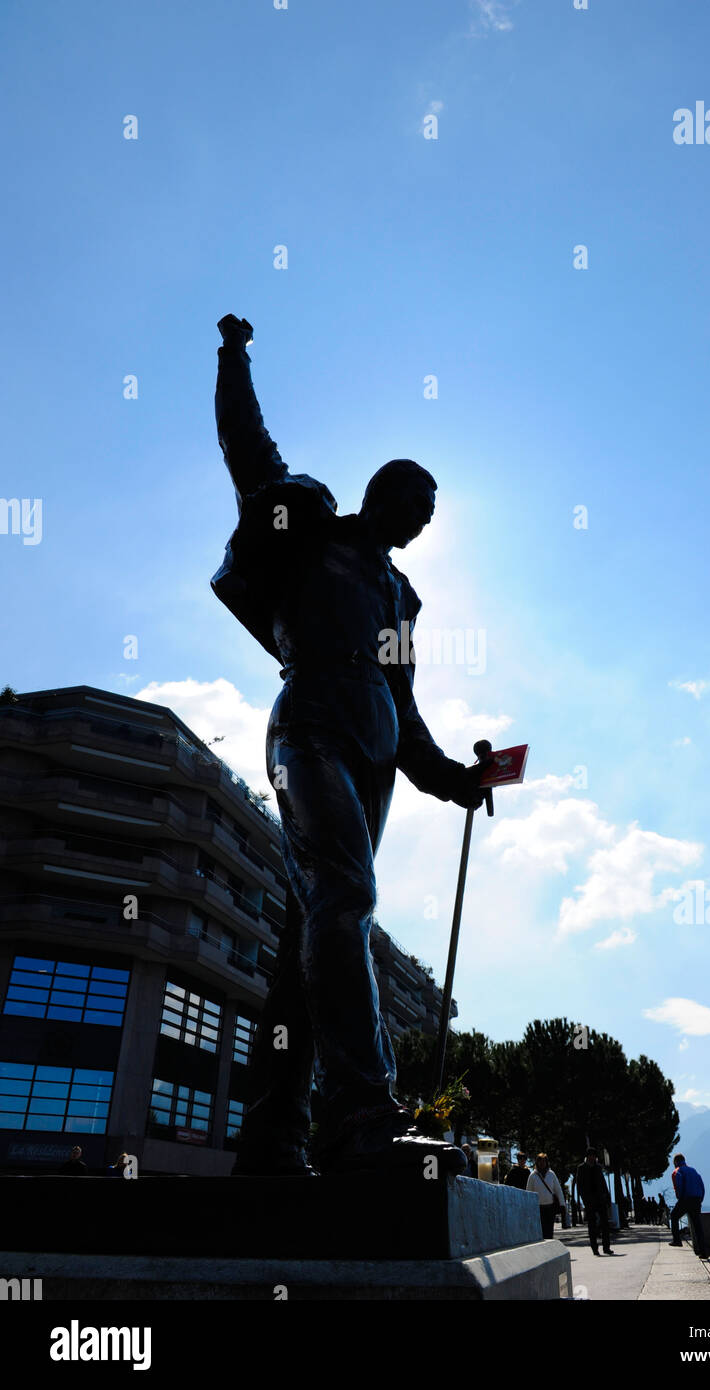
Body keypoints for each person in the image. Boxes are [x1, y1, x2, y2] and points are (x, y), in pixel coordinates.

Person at [212, 316, 487, 1177]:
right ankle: (364, 1117)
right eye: (415, 503)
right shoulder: (313, 536)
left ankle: (273, 1135)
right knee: (344, 898)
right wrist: (234, 358)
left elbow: (404, 709)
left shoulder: (403, 600)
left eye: (433, 515)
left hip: (373, 755)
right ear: (383, 490)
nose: (422, 521)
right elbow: (249, 450)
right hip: (309, 731)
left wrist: (453, 780)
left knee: (311, 948)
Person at [670, 1153, 708, 1258]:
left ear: (676, 1162)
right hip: (697, 1199)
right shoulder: (693, 1170)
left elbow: (678, 1187)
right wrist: (700, 1200)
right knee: (697, 1226)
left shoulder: (677, 1171)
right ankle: (703, 1252)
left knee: (673, 1216)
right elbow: (702, 1185)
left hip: (686, 1199)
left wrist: (680, 1198)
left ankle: (677, 1240)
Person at [576, 1148, 613, 1255]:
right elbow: (580, 1185)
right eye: (590, 1155)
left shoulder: (598, 1168)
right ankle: (595, 1248)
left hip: (601, 1200)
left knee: (605, 1224)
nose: (592, 1157)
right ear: (587, 1157)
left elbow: (603, 1183)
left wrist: (607, 1198)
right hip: (589, 1201)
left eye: (594, 1155)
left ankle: (606, 1248)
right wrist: (585, 1200)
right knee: (592, 1225)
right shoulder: (581, 1168)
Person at [526, 1153, 566, 1239]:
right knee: (541, 1232)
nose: (542, 1163)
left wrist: (562, 1204)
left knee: (549, 1231)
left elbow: (558, 1190)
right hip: (538, 1208)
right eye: (540, 1161)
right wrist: (528, 1208)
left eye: (544, 1161)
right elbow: (528, 1193)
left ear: (547, 1163)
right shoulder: (533, 1176)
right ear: (537, 1163)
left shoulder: (551, 1174)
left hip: (550, 1208)